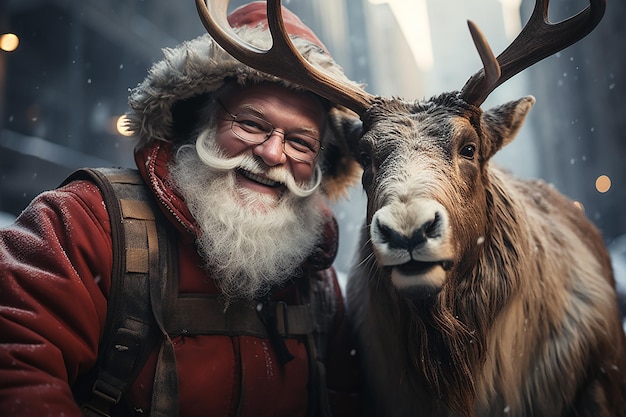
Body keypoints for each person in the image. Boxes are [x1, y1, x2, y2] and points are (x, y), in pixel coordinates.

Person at [0, 2, 365, 416]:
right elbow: (18, 370)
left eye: (301, 143)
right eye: (250, 123)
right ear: (201, 123)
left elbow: (346, 398)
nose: (272, 152)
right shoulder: (87, 222)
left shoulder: (316, 282)